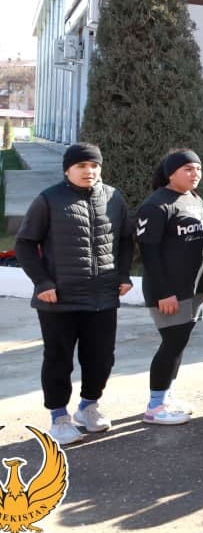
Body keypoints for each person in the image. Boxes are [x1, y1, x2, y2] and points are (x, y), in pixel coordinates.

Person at [16, 143, 134, 446]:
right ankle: (59, 417)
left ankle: (88, 407)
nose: (89, 171)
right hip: (59, 300)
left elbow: (125, 239)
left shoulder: (114, 198)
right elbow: (25, 244)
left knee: (101, 359)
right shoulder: (49, 200)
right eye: (81, 166)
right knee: (59, 360)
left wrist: (122, 275)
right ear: (67, 170)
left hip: (102, 298)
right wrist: (42, 283)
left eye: (94, 165)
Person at [136, 149, 203, 425]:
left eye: (198, 168)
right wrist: (163, 293)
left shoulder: (195, 199)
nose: (195, 174)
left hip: (194, 290)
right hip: (169, 292)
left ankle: (166, 396)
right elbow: (149, 254)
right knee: (171, 344)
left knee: (179, 344)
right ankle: (154, 407)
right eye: (188, 169)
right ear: (171, 174)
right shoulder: (156, 205)